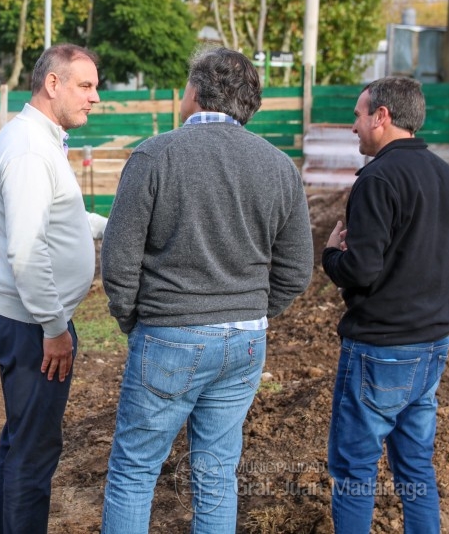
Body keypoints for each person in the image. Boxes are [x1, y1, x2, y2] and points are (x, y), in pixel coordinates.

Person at [100, 46, 313, 533]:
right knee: (217, 475)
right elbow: (297, 268)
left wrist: (132, 319)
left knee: (135, 473)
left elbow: (118, 259)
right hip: (245, 340)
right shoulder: (280, 167)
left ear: (194, 92)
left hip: (169, 334)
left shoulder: (155, 155)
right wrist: (254, 309)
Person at [0, 43, 107, 534]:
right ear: (53, 84)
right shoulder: (30, 150)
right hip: (31, 323)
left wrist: (103, 226)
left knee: (21, 441)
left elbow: (58, 217)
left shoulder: (40, 139)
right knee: (33, 457)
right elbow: (27, 251)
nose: (95, 98)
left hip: (27, 316)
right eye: (86, 85)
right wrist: (55, 328)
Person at [322, 76, 449, 534]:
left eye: (358, 115)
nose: (353, 125)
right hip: (432, 344)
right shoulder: (442, 173)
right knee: (416, 467)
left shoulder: (377, 178)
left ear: (382, 116)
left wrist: (332, 255)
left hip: (380, 349)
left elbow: (361, 271)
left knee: (354, 472)